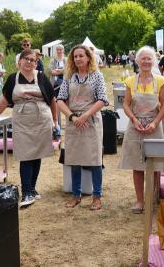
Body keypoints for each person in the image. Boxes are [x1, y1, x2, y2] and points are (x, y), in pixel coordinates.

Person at [0, 48, 56, 207]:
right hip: (22, 121)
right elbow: (4, 101)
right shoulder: (13, 78)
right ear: (19, 61)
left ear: (36, 63)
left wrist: (55, 120)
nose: (29, 62)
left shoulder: (41, 77)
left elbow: (52, 99)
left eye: (32, 60)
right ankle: (26, 192)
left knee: (37, 154)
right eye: (26, 59)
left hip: (42, 119)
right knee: (25, 155)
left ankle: (32, 189)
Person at [57, 44, 108, 210]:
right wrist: (72, 117)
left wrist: (85, 115)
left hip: (91, 121)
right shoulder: (69, 76)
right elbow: (60, 100)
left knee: (94, 160)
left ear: (88, 57)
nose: (78, 59)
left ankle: (97, 196)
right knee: (74, 159)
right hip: (73, 121)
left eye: (81, 56)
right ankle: (76, 195)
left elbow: (102, 99)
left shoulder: (97, 76)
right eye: (75, 56)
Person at [119, 46, 164, 213]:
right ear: (137, 61)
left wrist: (154, 123)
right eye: (143, 58)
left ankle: (152, 200)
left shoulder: (160, 80)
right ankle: (140, 201)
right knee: (136, 164)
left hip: (154, 126)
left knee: (155, 166)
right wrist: (133, 119)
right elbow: (126, 103)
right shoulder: (131, 81)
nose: (146, 61)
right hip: (135, 126)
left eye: (149, 58)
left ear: (153, 61)